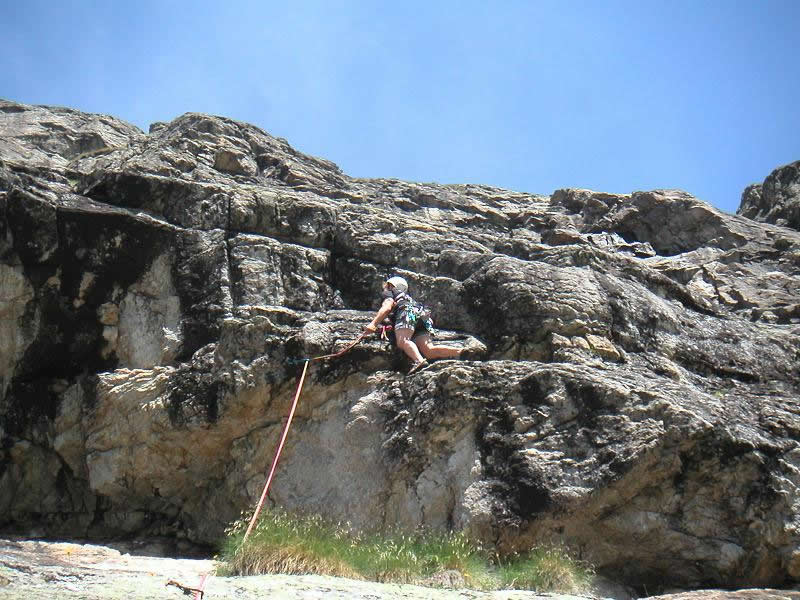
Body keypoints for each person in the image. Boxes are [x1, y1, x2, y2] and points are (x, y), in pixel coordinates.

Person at [364, 276, 483, 374]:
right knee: (428, 350)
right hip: (423, 316)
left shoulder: (390, 293)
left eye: (386, 285)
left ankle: (419, 361)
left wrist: (373, 324)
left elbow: (387, 307)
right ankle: (462, 352)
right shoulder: (409, 298)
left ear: (391, 285)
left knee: (403, 341)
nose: (385, 287)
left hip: (407, 313)